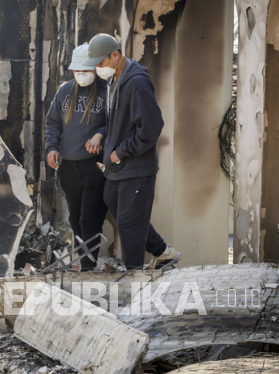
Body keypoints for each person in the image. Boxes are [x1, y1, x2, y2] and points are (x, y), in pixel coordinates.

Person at [82, 33, 182, 270]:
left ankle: (133, 277)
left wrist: (119, 152)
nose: (98, 69)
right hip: (117, 167)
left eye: (100, 63)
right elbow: (119, 121)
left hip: (135, 167)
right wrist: (104, 140)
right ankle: (162, 252)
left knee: (129, 225)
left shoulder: (137, 82)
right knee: (114, 204)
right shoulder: (113, 80)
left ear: (114, 55)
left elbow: (151, 128)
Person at [45, 44, 110, 271]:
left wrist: (101, 133)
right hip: (68, 166)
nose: (81, 74)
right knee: (75, 219)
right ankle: (86, 261)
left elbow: (118, 123)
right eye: (77, 70)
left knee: (89, 218)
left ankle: (87, 265)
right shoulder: (64, 91)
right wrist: (51, 147)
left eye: (86, 70)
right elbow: (53, 123)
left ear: (95, 68)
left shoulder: (108, 91)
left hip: (95, 165)